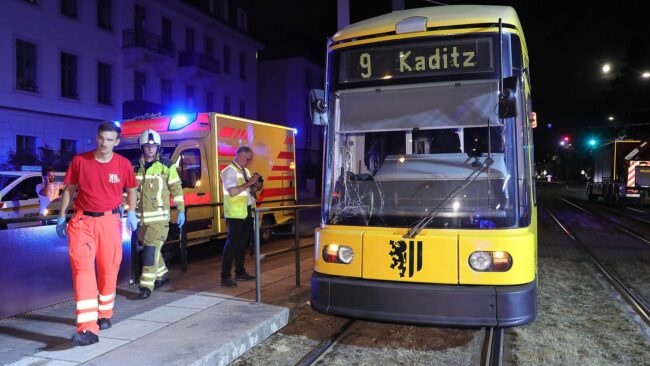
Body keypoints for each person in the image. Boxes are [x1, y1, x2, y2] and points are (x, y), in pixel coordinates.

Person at [56, 122, 138, 346]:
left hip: (110, 222)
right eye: (101, 138)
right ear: (97, 137)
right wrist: (62, 215)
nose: (104, 143)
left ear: (116, 142)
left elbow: (132, 190)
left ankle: (104, 314)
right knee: (82, 270)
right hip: (82, 221)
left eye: (110, 139)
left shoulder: (123, 165)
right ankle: (87, 329)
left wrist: (131, 213)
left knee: (108, 270)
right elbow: (70, 189)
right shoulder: (80, 161)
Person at [134, 129, 185, 299]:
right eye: (147, 146)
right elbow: (129, 192)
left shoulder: (167, 165)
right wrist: (125, 210)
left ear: (158, 147)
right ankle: (162, 275)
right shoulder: (135, 167)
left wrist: (180, 210)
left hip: (159, 218)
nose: (150, 149)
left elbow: (176, 189)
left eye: (154, 146)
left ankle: (146, 285)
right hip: (141, 219)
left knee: (149, 250)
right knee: (152, 249)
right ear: (142, 147)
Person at [220, 146, 262, 288]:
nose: (249, 162)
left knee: (241, 245)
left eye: (250, 160)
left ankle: (240, 272)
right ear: (239, 155)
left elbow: (247, 190)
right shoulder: (229, 171)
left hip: (247, 211)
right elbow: (232, 192)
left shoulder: (245, 171)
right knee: (231, 245)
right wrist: (249, 183)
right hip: (235, 214)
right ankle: (225, 276)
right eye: (247, 159)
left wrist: (256, 186)